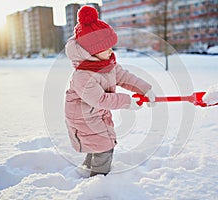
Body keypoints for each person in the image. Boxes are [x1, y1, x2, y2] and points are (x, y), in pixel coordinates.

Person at [64, 5, 155, 177]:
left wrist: (145, 90)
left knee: (99, 143)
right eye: (106, 48)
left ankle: (86, 170)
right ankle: (99, 179)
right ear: (91, 52)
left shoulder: (106, 64)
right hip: (83, 116)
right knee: (104, 145)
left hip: (95, 113)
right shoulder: (83, 76)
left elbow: (124, 77)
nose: (111, 51)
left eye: (111, 46)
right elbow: (100, 100)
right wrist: (127, 101)